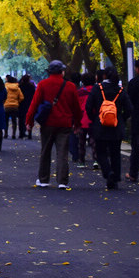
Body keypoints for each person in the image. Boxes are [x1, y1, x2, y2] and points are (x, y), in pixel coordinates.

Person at [25, 60, 81, 189]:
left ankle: (44, 179)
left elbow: (34, 104)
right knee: (62, 153)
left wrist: (29, 121)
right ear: (62, 71)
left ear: (49, 72)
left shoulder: (43, 84)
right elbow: (76, 108)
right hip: (65, 124)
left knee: (45, 150)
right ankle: (62, 181)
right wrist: (77, 123)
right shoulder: (71, 86)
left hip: (48, 123)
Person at [85, 68, 133, 190]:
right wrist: (120, 118)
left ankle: (108, 172)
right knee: (115, 153)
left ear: (104, 75)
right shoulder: (120, 90)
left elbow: (88, 106)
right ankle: (115, 178)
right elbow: (129, 109)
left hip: (100, 126)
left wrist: (95, 119)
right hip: (116, 127)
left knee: (101, 152)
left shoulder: (97, 88)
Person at [74, 72, 96, 169]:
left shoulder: (80, 92)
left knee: (81, 142)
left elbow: (76, 107)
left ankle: (81, 161)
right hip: (94, 119)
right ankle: (96, 160)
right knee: (94, 141)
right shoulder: (96, 91)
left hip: (82, 119)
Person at [18, 75, 36, 139]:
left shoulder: (20, 86)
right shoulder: (31, 86)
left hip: (21, 104)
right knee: (30, 118)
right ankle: (29, 133)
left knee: (21, 119)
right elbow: (34, 95)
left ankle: (21, 133)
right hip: (29, 103)